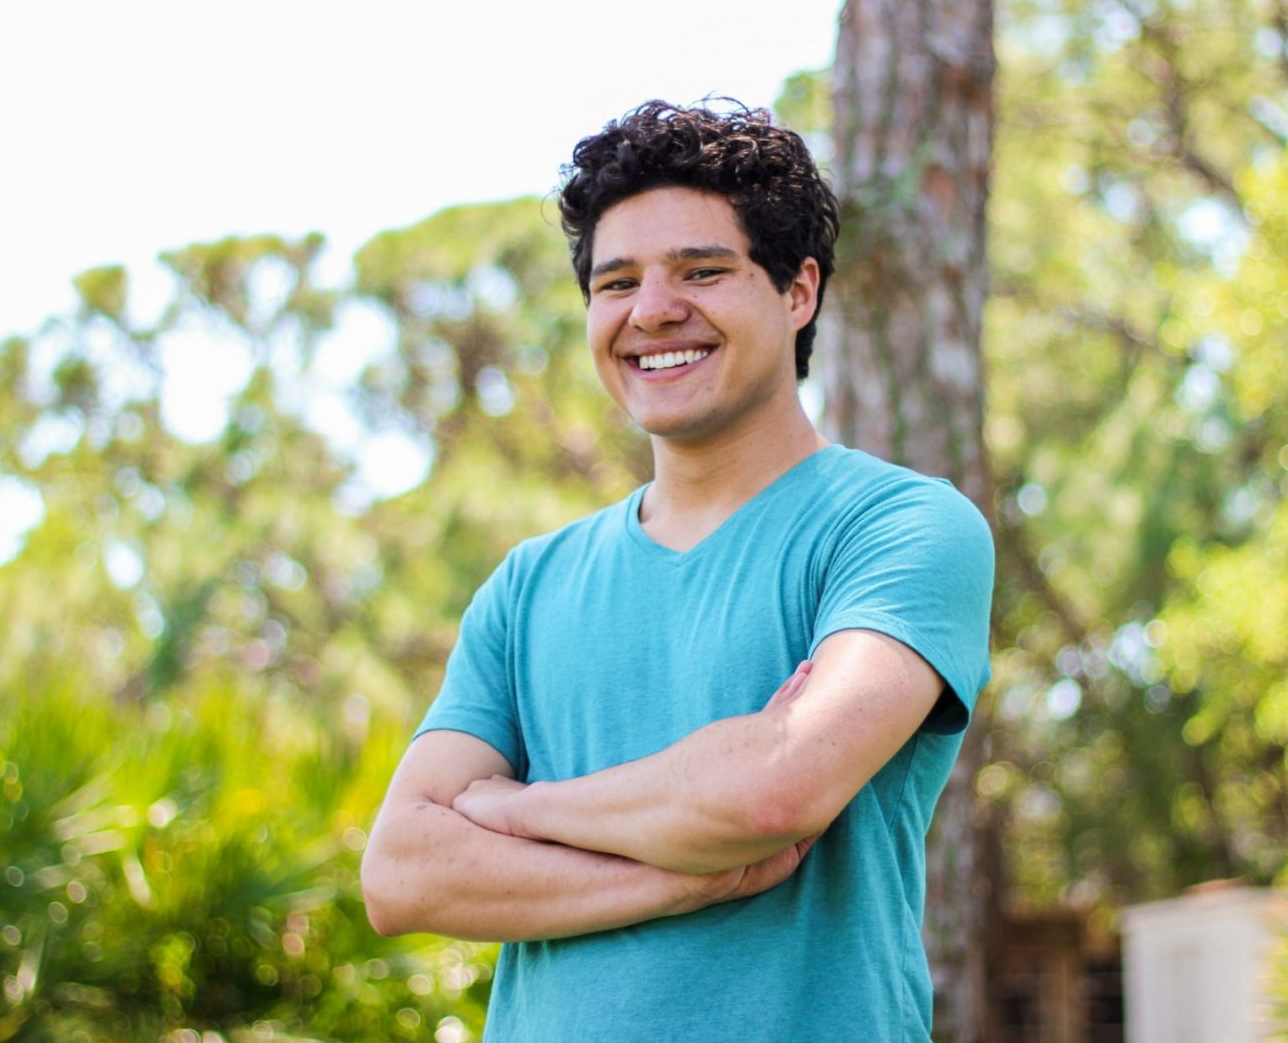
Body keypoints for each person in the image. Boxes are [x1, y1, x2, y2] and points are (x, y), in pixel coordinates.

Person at [360, 99, 995, 1041]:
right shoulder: (528, 585)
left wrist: (513, 809)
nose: (652, 311)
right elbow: (403, 871)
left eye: (702, 271)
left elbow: (775, 788)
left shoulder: (898, 528)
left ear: (797, 292)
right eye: (616, 283)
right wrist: (684, 871)